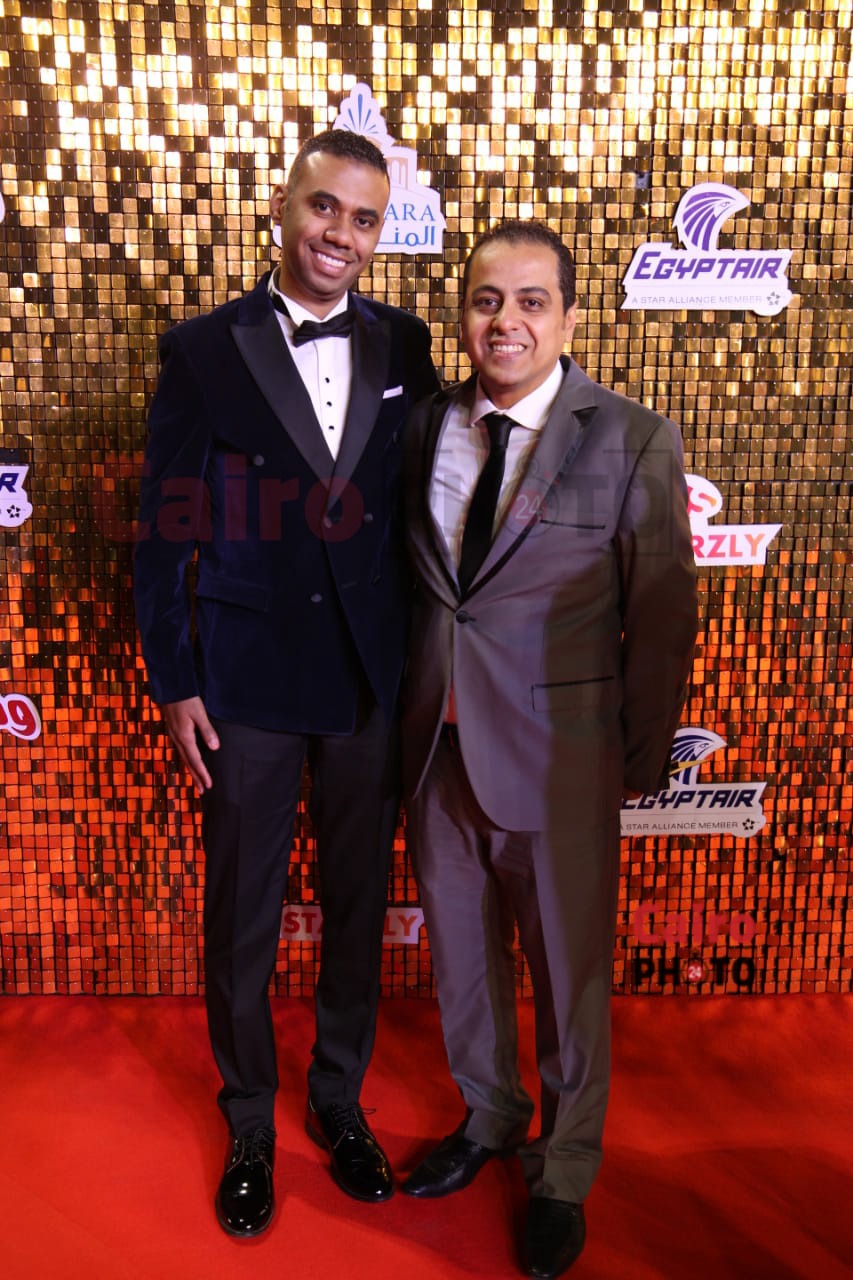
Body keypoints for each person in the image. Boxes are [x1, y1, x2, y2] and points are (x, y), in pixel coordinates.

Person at [133, 128, 439, 1238]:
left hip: (366, 678)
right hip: (246, 679)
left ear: (379, 232)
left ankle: (339, 1101)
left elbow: (425, 507)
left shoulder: (406, 341)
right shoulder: (201, 349)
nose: (338, 235)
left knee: (358, 905)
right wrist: (176, 677)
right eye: (323, 208)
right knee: (243, 914)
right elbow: (165, 525)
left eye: (363, 218)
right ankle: (251, 1121)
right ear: (280, 207)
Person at [399, 221, 698, 1278]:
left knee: (567, 977)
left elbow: (660, 613)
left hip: (563, 760)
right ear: (462, 314)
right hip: (433, 753)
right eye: (486, 299)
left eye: (531, 301)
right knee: (462, 962)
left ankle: (562, 1169)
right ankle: (487, 1115)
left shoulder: (631, 438)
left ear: (569, 317)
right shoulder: (424, 425)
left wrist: (640, 754)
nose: (506, 321)